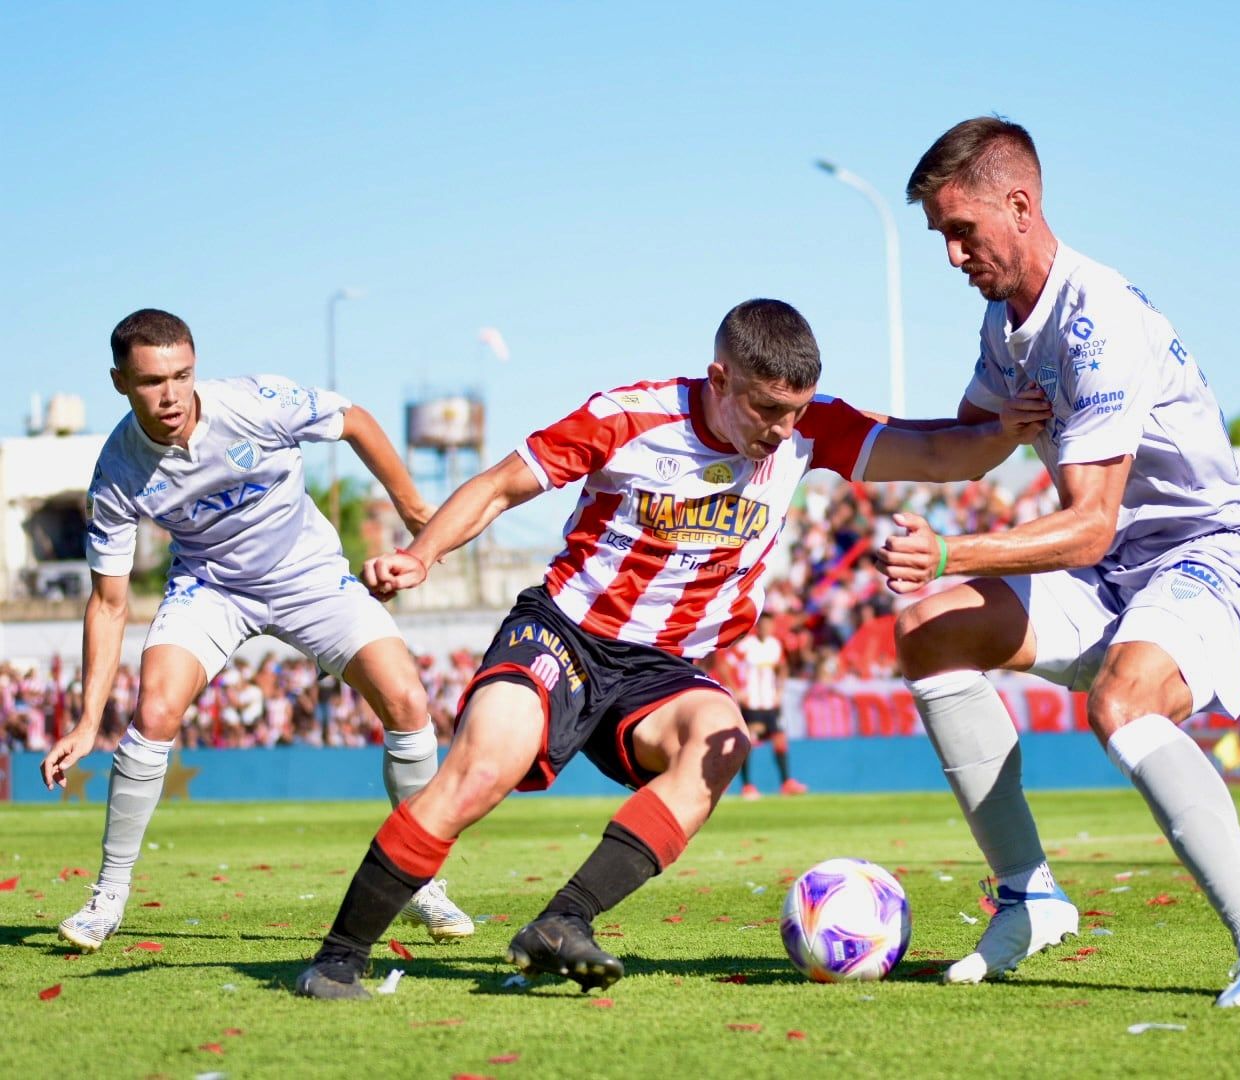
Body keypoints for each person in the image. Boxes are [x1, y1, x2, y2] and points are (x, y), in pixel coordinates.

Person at [295, 298, 1049, 998]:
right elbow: (498, 486)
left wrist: (1008, 429)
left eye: (793, 410)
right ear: (718, 379)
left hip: (661, 669)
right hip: (564, 632)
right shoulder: (627, 417)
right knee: (484, 767)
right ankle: (338, 957)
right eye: (765, 408)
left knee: (721, 740)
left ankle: (564, 921)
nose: (781, 430)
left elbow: (940, 455)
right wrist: (421, 555)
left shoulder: (811, 430)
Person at [877, 117, 1240, 1006]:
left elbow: (1087, 525)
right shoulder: (1005, 320)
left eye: (961, 231)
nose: (952, 255)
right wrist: (817, 438)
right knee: (929, 631)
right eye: (940, 236)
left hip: (1209, 555)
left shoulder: (1097, 321)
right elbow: (966, 444)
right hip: (1115, 569)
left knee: (1122, 700)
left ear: (1021, 206)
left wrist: (949, 552)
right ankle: (1029, 897)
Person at [42, 308, 473, 951]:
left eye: (182, 375)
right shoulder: (117, 474)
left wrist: (414, 511)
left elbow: (354, 420)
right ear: (119, 382)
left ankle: (422, 883)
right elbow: (108, 604)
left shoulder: (256, 402)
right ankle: (107, 895)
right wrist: (85, 722)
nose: (171, 395)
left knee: (408, 701)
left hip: (308, 575)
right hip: (211, 588)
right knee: (154, 712)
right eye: (152, 381)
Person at [733, 613, 802, 799]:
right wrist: (737, 689)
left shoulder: (775, 645)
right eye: (762, 625)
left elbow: (783, 667)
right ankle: (747, 786)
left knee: (780, 739)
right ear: (757, 627)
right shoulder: (746, 646)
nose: (765, 629)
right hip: (752, 702)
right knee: (748, 742)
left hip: (770, 701)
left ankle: (786, 783)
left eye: (768, 626)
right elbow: (725, 664)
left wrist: (780, 689)